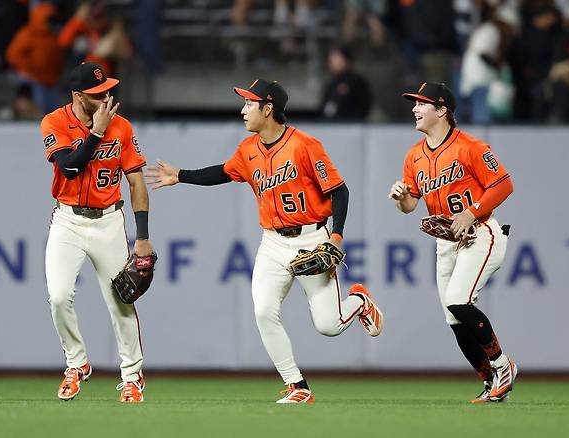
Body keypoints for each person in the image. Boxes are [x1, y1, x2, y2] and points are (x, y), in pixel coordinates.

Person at [146, 79, 383, 404]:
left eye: (249, 104)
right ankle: (297, 385)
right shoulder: (247, 151)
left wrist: (337, 236)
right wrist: (181, 176)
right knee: (264, 311)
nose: (243, 110)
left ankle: (359, 301)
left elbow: (339, 190)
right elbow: (224, 172)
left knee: (328, 325)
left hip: (312, 237)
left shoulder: (304, 145)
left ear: (268, 108)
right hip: (272, 243)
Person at [388, 82, 516, 403]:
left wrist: (472, 213)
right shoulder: (414, 156)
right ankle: (490, 383)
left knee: (459, 300)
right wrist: (402, 198)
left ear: (442, 110)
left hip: (481, 233)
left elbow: (503, 185)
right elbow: (410, 206)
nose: (415, 109)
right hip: (446, 242)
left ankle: (503, 367)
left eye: (422, 104)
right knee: (454, 317)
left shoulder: (471, 147)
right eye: (414, 103)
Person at [40, 62, 153, 403]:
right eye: (96, 93)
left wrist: (143, 235)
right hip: (68, 219)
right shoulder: (55, 121)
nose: (106, 96)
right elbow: (70, 168)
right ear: (77, 96)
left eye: (107, 89)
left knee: (121, 299)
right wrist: (96, 133)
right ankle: (76, 364)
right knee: (59, 297)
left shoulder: (121, 126)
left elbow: (136, 182)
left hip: (108, 221)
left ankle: (132, 376)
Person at [320, 44, 372, 121]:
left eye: (336, 58)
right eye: (330, 59)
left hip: (350, 128)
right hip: (329, 127)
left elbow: (363, 108)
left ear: (346, 60)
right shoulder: (330, 83)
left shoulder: (357, 82)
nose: (331, 62)